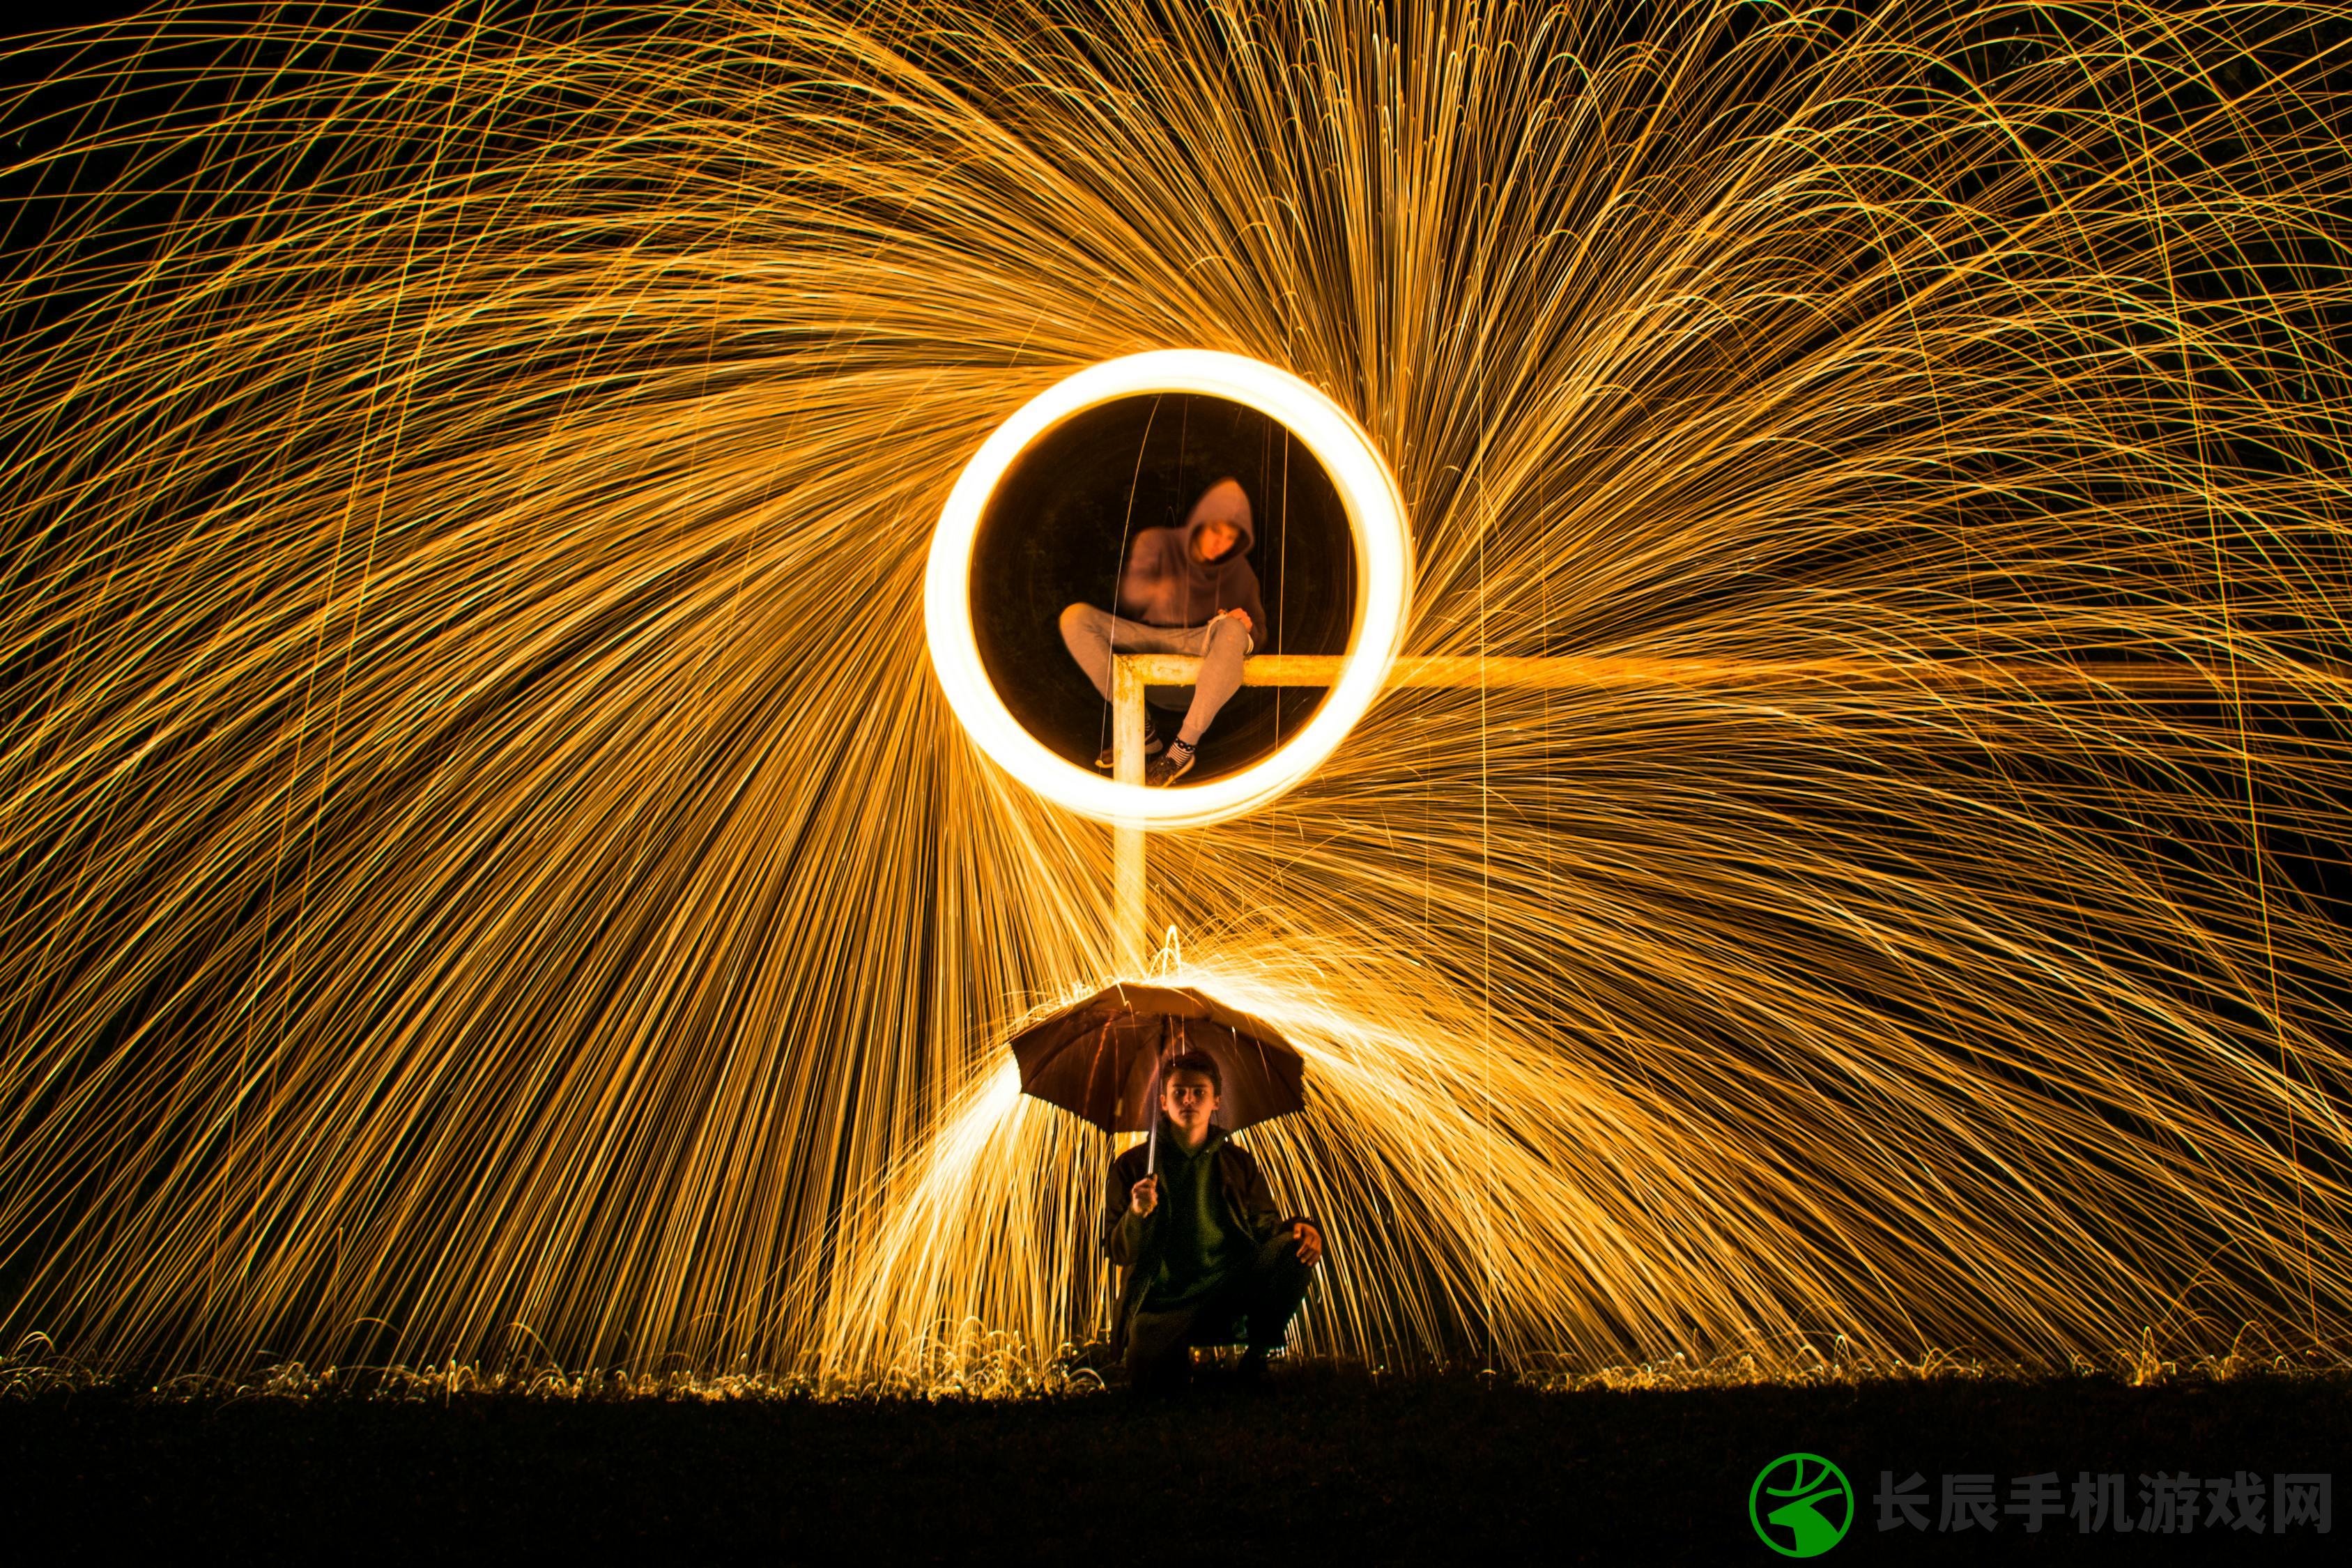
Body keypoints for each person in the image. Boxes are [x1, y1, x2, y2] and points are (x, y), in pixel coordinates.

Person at [1101, 1049, 1324, 1393]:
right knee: (1155, 1393)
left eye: (1199, 1092)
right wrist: (1136, 1214)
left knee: (1297, 1251)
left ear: (1216, 1101)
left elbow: (1265, 1229)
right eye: (1179, 1092)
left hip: (1228, 1290)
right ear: (1162, 1101)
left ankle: (1258, 1356)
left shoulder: (1239, 1164)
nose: (1188, 1100)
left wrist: (1302, 1227)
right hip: (1161, 1305)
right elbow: (1118, 1251)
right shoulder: (1133, 1168)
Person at [1059, 477, 1270, 785]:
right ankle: (1142, 730)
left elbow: (1261, 634)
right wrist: (1157, 590)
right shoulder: (1156, 542)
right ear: (1200, 524)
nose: (1219, 543)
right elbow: (1130, 593)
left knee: (1234, 631)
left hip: (1203, 662)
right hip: (1148, 642)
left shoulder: (1242, 575)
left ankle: (1179, 752)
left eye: (1229, 538)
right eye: (1215, 531)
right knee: (1076, 617)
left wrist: (1247, 627)